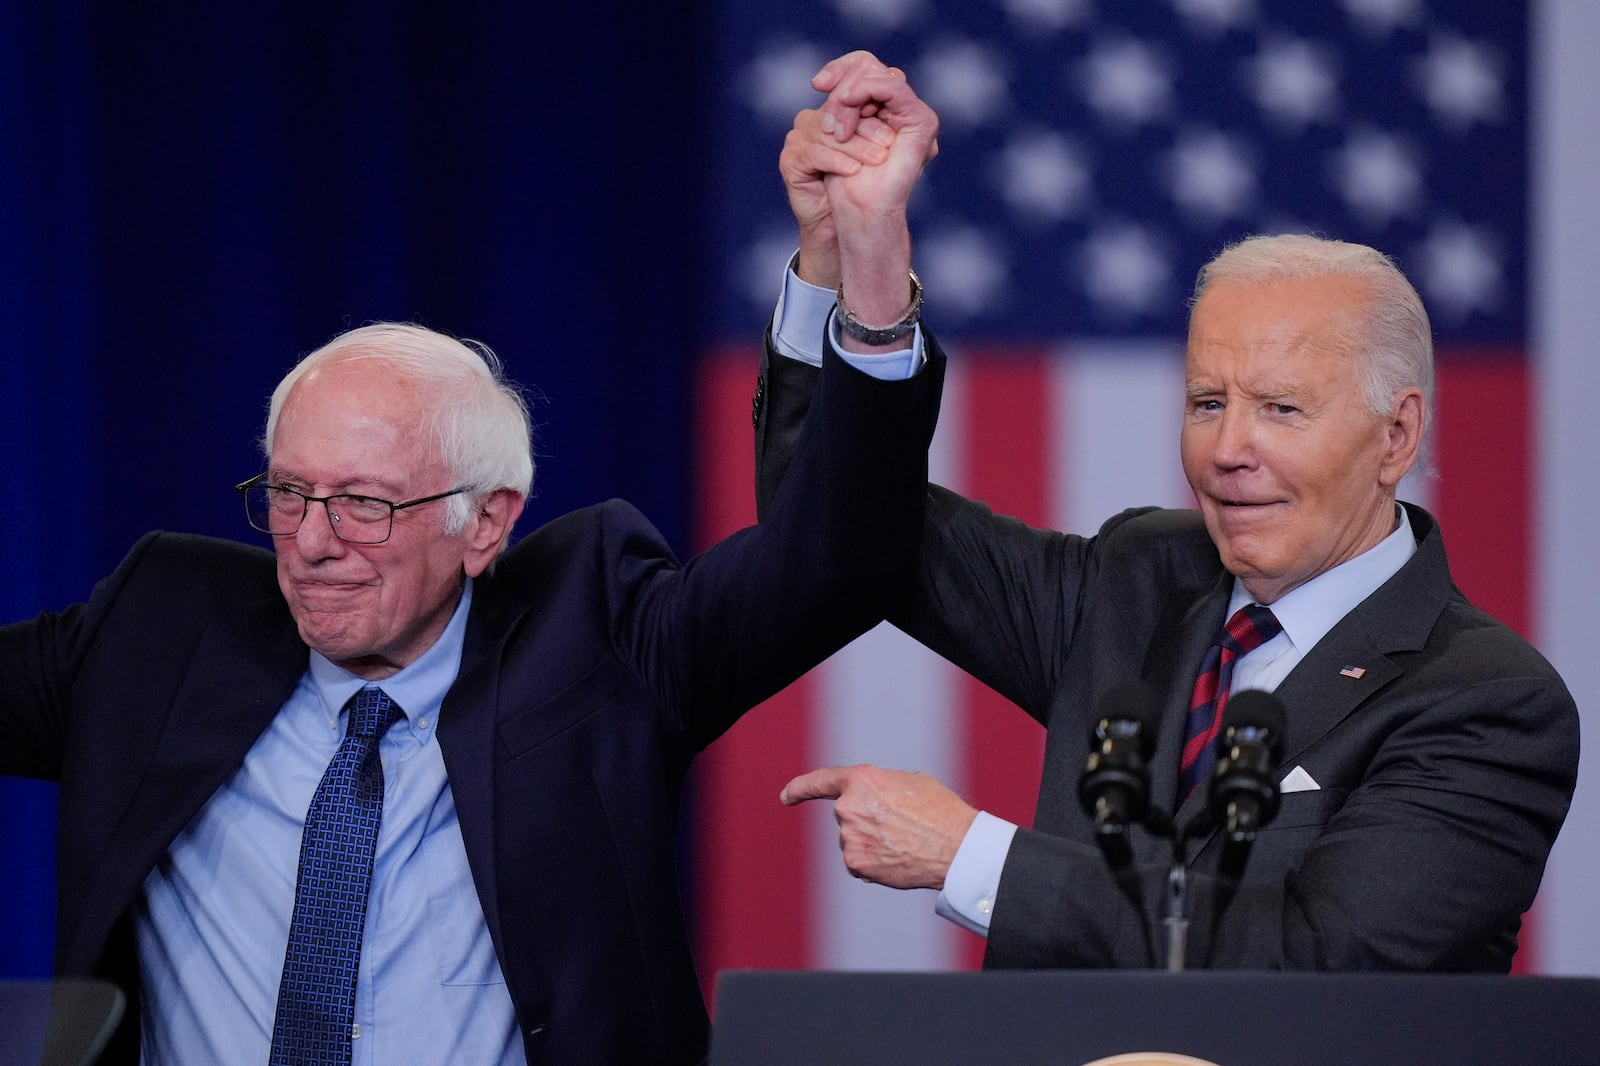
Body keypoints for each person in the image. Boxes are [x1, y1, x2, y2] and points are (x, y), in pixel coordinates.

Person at [0, 104, 943, 1066]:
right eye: (289, 494)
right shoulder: (158, 630)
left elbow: (839, 559)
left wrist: (864, 264)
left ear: (484, 523)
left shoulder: (600, 639)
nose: (314, 542)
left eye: (365, 503)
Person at [756, 51, 1578, 972]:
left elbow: (1326, 961)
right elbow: (827, 524)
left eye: (1281, 408)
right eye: (1205, 402)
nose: (1228, 449)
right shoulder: (1139, 579)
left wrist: (972, 859)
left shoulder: (1484, 700)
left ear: (1396, 436)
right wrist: (853, 261)